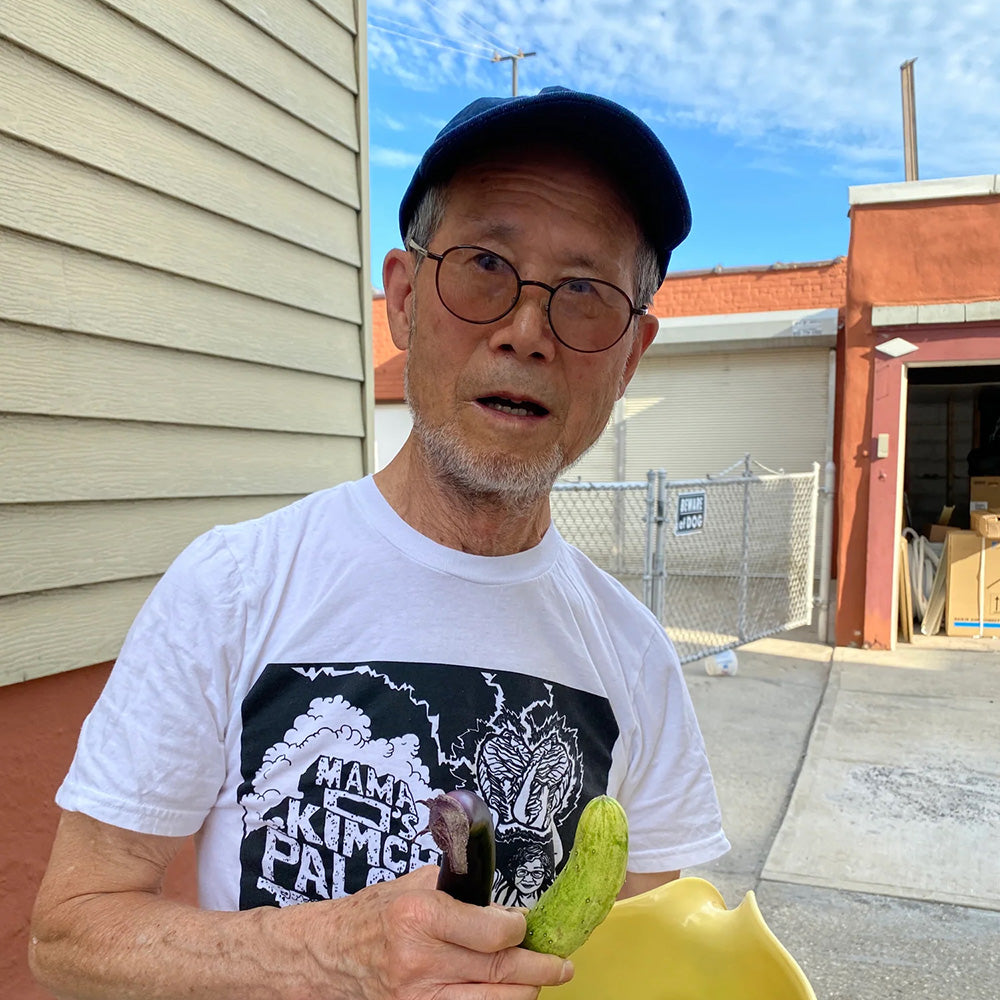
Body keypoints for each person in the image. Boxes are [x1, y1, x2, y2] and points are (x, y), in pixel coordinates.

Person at [31, 86, 729, 999]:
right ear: (402, 299)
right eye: (485, 265)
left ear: (632, 353)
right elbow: (69, 938)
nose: (526, 333)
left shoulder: (635, 658)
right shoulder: (235, 585)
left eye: (586, 294)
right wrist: (326, 954)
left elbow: (653, 962)